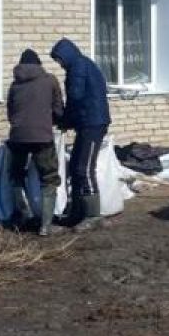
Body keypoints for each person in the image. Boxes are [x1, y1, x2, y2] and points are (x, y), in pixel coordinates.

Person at [49, 38, 111, 231]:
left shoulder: (78, 67)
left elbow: (75, 97)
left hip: (93, 123)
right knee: (76, 166)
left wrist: (64, 119)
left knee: (84, 168)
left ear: (66, 55)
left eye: (59, 60)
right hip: (86, 122)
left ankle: (93, 215)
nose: (59, 64)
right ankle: (77, 213)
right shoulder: (81, 65)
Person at [6, 49, 64, 235]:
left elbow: (10, 113)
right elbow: (58, 109)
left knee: (16, 175)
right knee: (49, 178)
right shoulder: (50, 81)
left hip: (18, 137)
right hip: (42, 137)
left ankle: (24, 216)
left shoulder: (15, 85)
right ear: (39, 64)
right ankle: (46, 226)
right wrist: (53, 122)